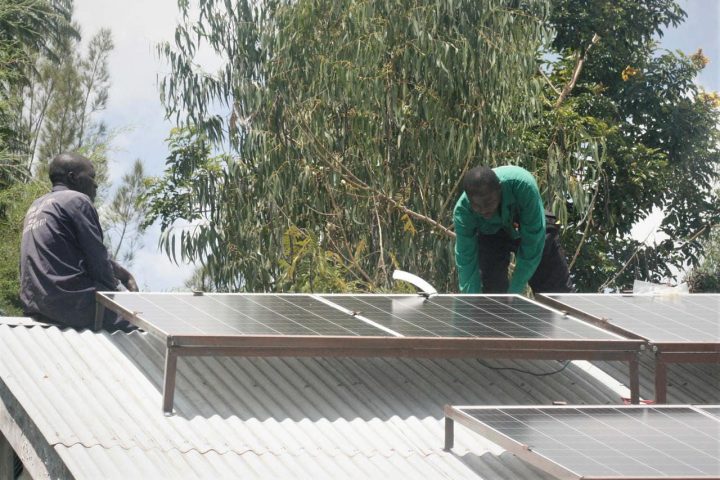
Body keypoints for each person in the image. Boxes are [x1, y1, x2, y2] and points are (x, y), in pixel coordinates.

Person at [19, 152, 138, 331]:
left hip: (36, 303)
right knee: (142, 321)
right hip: (70, 302)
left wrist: (123, 274)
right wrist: (120, 297)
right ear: (73, 177)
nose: (96, 184)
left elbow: (75, 251)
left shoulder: (37, 206)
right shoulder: (77, 200)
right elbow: (99, 264)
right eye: (91, 177)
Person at [453, 165, 573, 294]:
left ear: (499, 188)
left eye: (488, 202)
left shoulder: (523, 186)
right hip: (491, 237)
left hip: (528, 229)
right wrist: (471, 302)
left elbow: (532, 244)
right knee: (492, 294)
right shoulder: (463, 211)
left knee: (555, 289)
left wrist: (514, 293)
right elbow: (466, 261)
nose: (484, 210)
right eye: (477, 206)